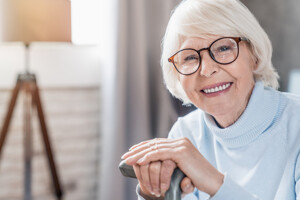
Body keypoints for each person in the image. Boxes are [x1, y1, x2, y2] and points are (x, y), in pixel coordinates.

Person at [121, 0, 300, 199]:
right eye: (189, 58)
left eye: (223, 48)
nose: (207, 70)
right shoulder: (184, 133)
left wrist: (215, 183)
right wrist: (154, 193)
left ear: (254, 55)